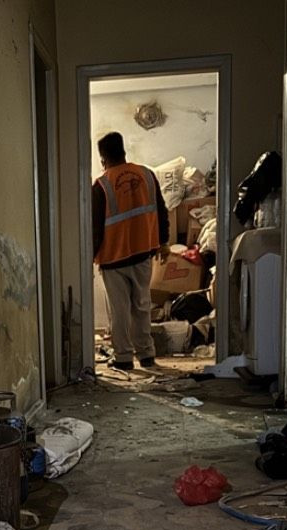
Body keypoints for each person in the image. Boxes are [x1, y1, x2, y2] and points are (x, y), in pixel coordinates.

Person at [92, 131, 170, 370]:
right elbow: (161, 209)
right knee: (142, 306)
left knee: (120, 311)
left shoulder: (102, 185)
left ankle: (124, 358)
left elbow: (95, 227)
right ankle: (146, 355)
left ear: (103, 157)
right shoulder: (146, 175)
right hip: (143, 252)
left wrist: (90, 257)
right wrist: (164, 242)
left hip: (113, 258)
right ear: (123, 151)